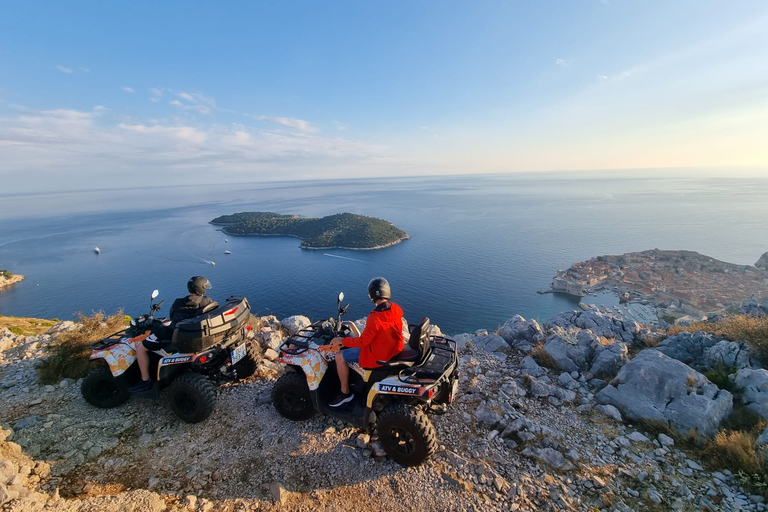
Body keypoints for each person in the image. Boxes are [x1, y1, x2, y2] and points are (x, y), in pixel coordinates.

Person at [128, 276, 213, 392]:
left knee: (141, 348)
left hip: (175, 333)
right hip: (197, 333)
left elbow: (172, 316)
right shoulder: (207, 301)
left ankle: (145, 380)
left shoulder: (179, 302)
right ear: (201, 289)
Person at [329, 277, 404, 407]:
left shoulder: (374, 317)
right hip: (392, 348)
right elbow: (377, 334)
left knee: (339, 356)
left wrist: (342, 341)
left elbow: (363, 342)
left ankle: (345, 392)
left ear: (372, 295)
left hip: (378, 355)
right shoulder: (396, 308)